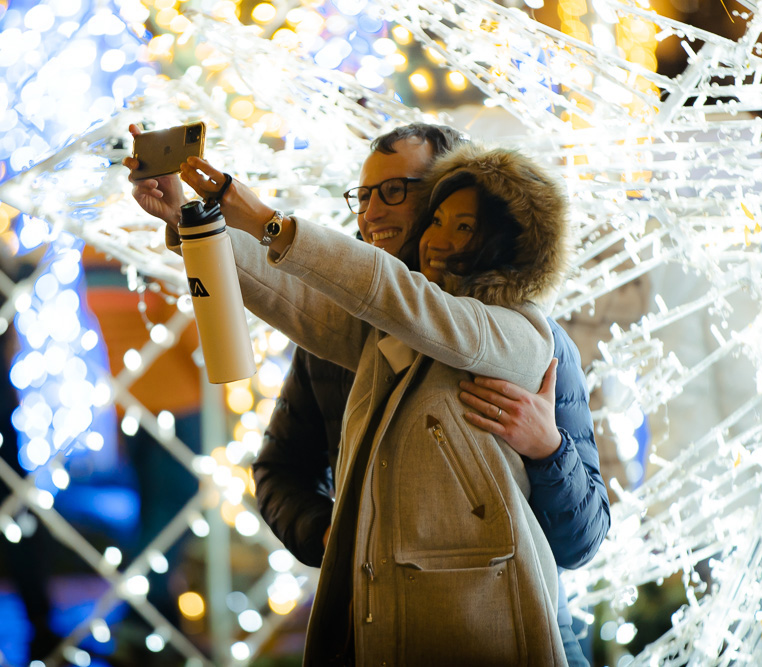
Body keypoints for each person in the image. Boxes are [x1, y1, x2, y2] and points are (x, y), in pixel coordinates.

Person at [124, 131, 604, 664]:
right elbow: (298, 300)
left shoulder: (524, 334)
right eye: (365, 194)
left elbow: (582, 538)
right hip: (381, 626)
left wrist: (551, 450)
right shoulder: (370, 332)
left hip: (496, 630)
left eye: (397, 191)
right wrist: (191, 220)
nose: (374, 211)